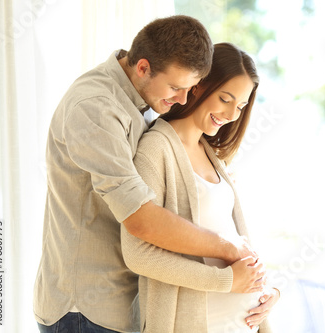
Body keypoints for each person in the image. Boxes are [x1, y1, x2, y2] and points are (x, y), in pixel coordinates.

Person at [34, 16, 262, 333]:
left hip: (121, 307)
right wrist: (229, 250)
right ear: (143, 67)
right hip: (85, 311)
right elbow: (140, 218)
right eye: (177, 88)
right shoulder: (97, 107)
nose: (183, 99)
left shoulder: (144, 103)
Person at [121, 43, 280, 333]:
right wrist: (228, 281)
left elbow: (236, 241)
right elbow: (139, 255)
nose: (232, 114)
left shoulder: (212, 155)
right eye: (225, 98)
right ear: (198, 85)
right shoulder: (157, 149)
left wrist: (267, 290)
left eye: (241, 106)